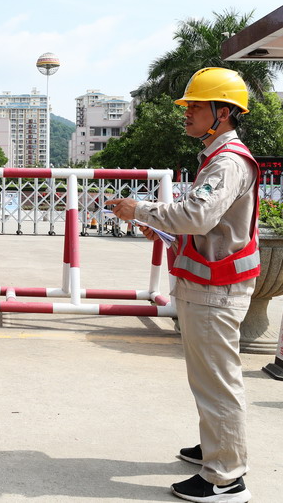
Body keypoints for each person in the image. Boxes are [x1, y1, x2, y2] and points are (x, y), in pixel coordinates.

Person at [107, 67, 258, 503]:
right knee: (207, 377)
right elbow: (204, 226)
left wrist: (141, 211)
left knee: (217, 381)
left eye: (196, 105)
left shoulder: (228, 162)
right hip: (207, 283)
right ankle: (216, 447)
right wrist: (165, 230)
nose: (187, 112)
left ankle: (226, 476)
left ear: (224, 112)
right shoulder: (214, 156)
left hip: (217, 290)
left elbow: (197, 216)